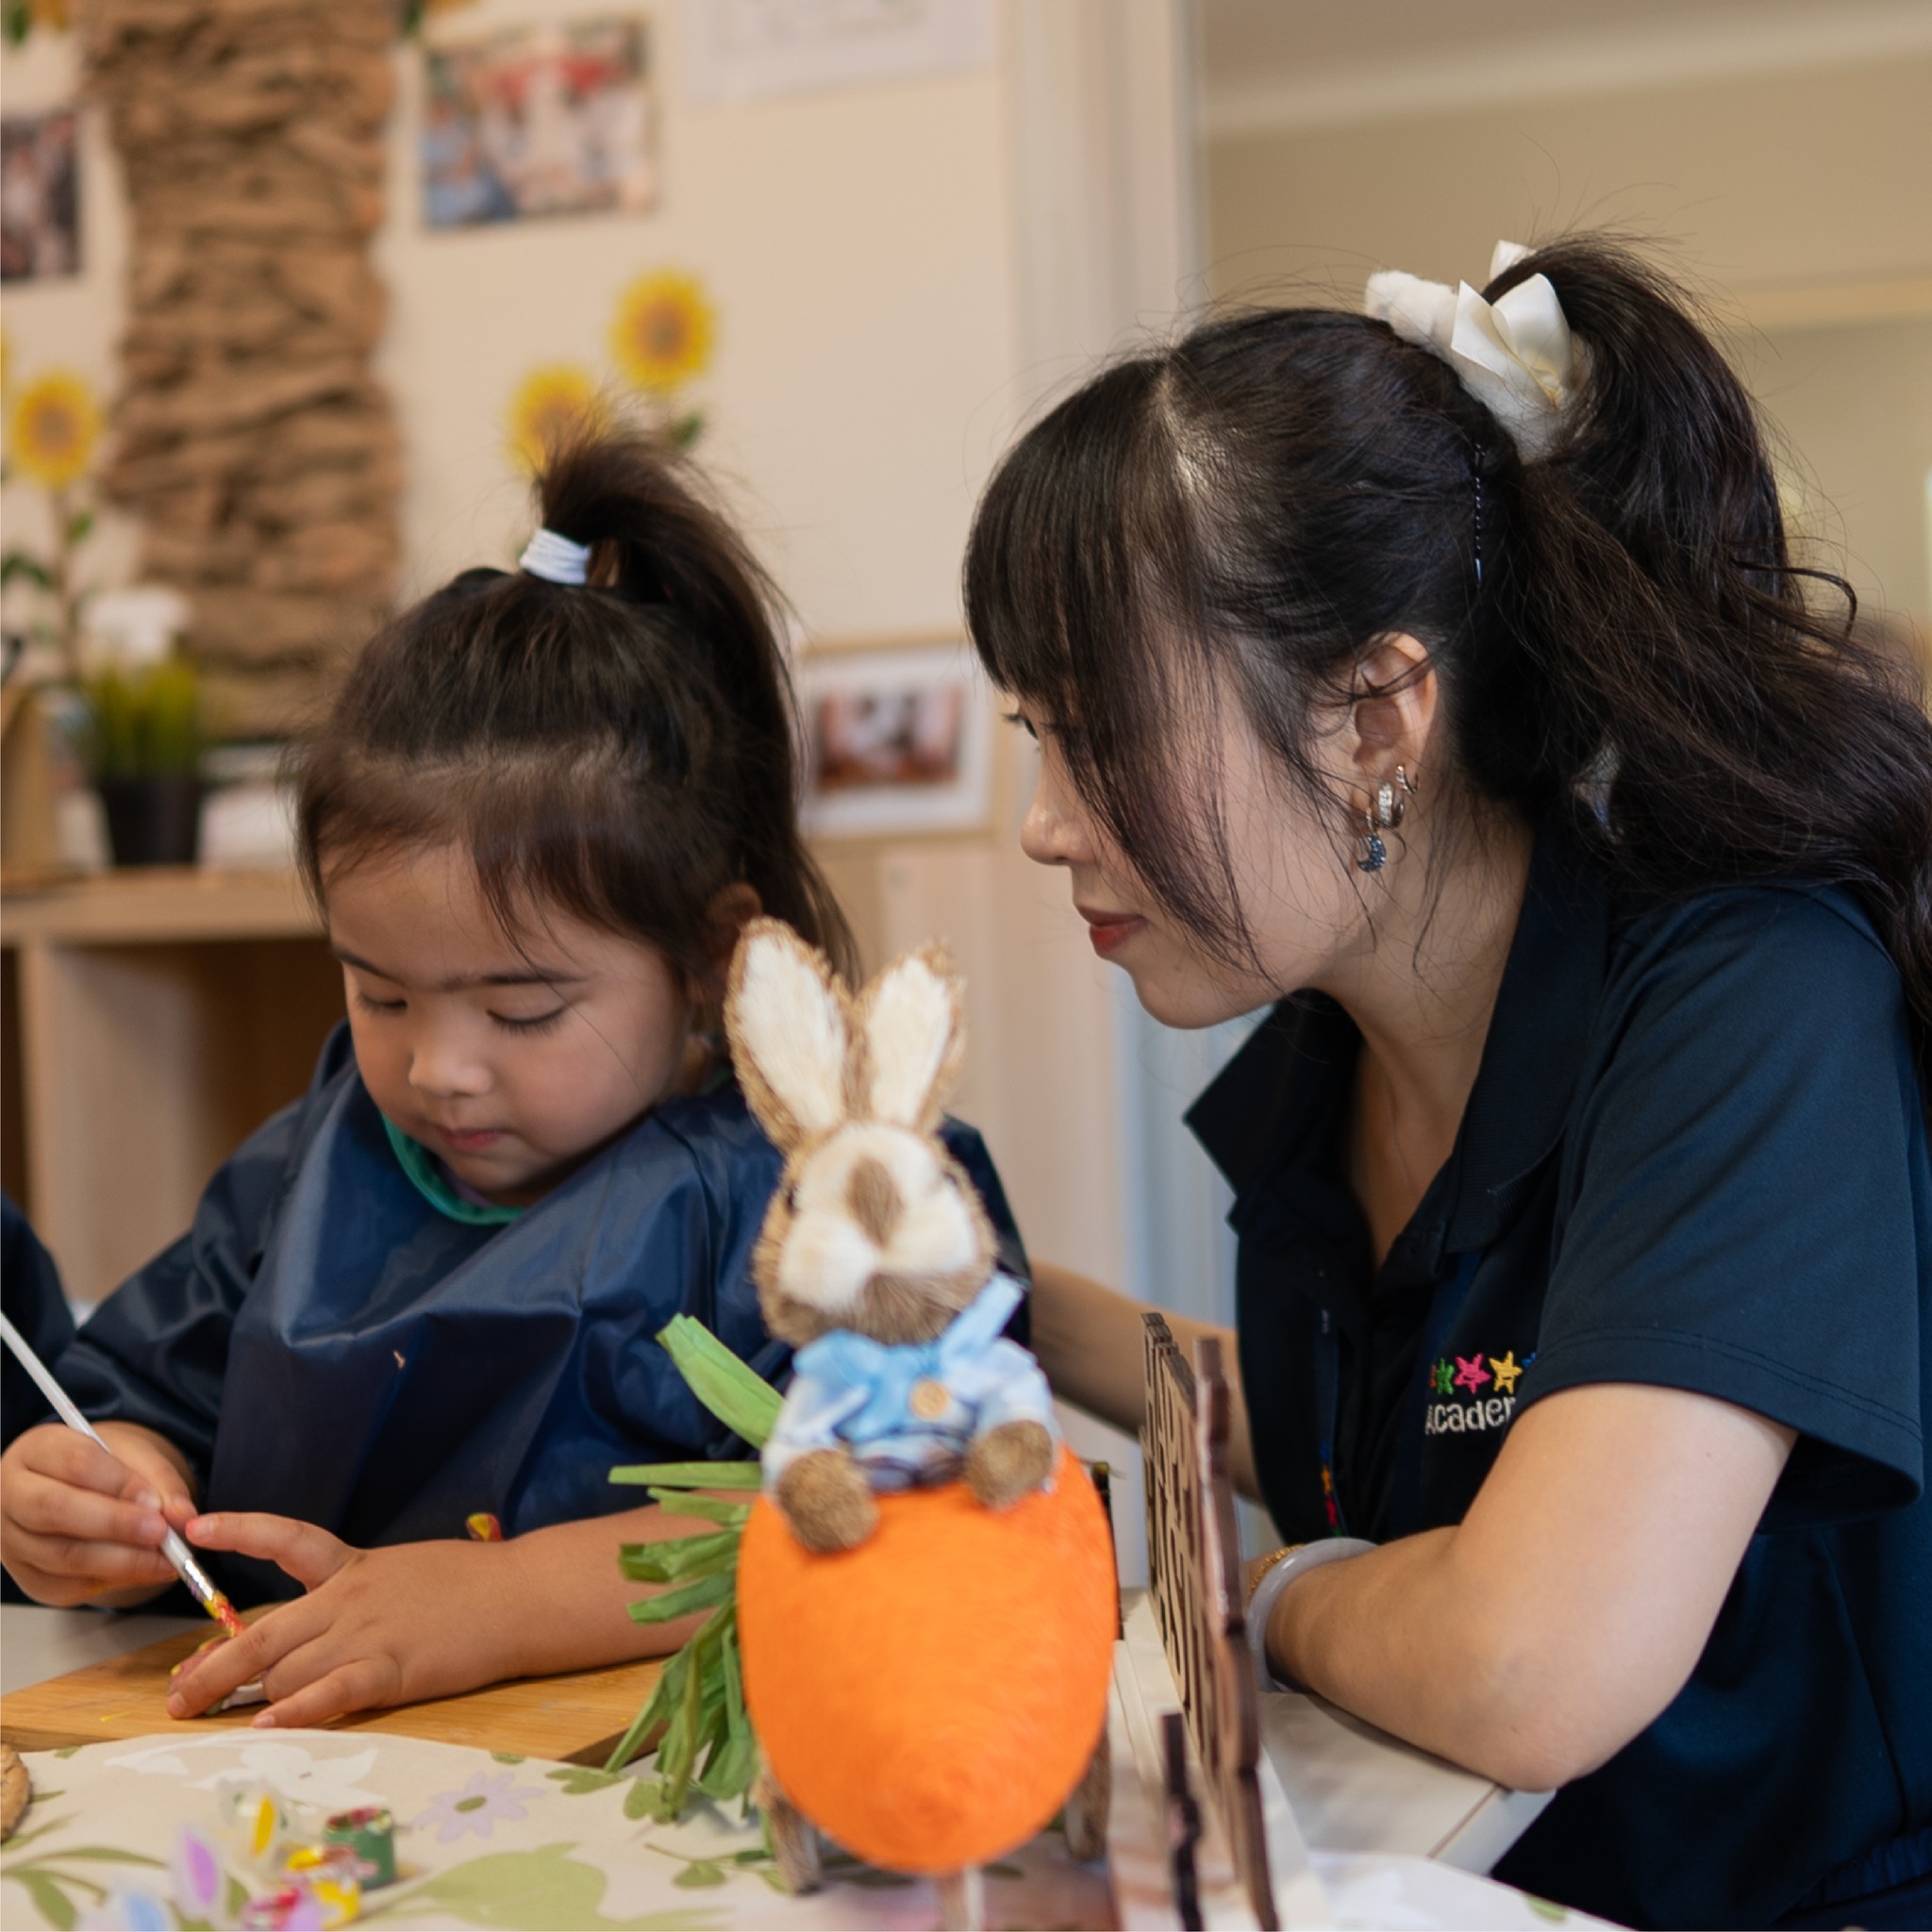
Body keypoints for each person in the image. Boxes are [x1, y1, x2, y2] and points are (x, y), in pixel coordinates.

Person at [963, 237, 1931, 1930]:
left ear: (1375, 717)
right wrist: (1003, 1301)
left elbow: (1523, 1651)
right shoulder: (1325, 1065)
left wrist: (1268, 1602)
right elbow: (1408, 1439)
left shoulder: (1753, 997)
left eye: (1096, 732)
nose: (1047, 820)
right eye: (1034, 733)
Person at [0, 429, 1025, 1731]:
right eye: (378, 993)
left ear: (713, 956)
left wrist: (506, 1600)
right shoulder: (323, 1154)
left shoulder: (823, 1202)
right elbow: (139, 1391)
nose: (437, 1068)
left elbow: (906, 1507)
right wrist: (89, 1487)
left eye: (523, 1008)